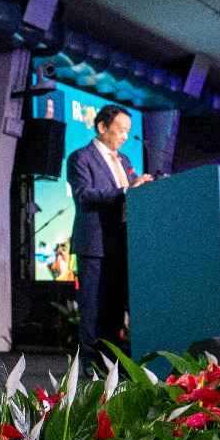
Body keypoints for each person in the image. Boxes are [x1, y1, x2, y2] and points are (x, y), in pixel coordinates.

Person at [66, 104, 152, 368]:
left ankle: (111, 362)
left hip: (122, 242)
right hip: (94, 243)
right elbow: (83, 195)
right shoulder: (80, 157)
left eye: (128, 131)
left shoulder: (124, 161)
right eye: (121, 130)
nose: (126, 136)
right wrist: (126, 191)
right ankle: (89, 366)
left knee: (115, 307)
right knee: (92, 308)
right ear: (103, 127)